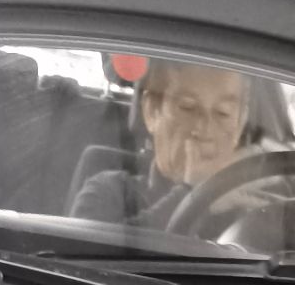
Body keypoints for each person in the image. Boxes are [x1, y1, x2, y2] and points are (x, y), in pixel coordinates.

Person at [71, 60, 249, 227]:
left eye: (223, 113)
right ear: (152, 111)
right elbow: (91, 249)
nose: (205, 129)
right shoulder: (109, 192)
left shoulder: (252, 211)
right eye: (188, 107)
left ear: (240, 124)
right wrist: (195, 195)